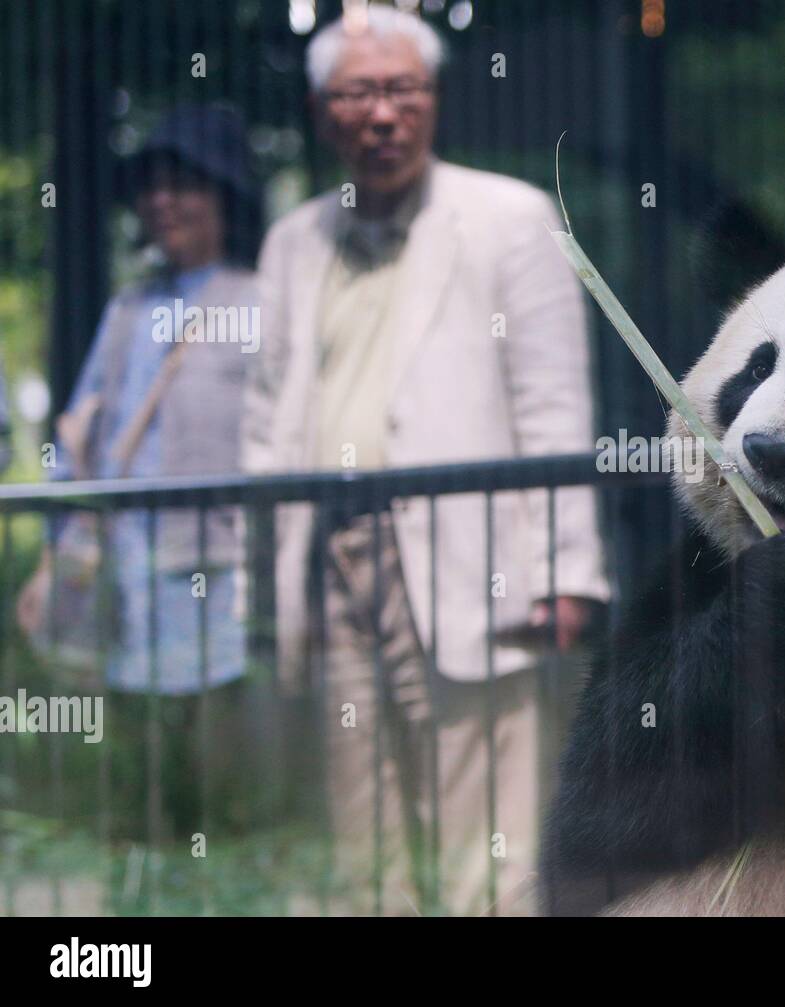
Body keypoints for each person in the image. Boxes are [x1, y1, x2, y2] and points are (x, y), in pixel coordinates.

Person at [245, 7, 608, 915]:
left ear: (434, 101)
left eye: (402, 90)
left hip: (473, 555)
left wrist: (565, 572)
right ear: (325, 110)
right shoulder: (293, 242)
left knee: (486, 818)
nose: (382, 115)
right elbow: (265, 413)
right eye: (358, 94)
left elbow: (554, 405)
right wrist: (262, 578)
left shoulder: (509, 219)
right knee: (357, 824)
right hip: (330, 563)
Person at [20, 104, 261, 844]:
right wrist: (58, 548)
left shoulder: (259, 300)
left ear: (223, 195)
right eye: (151, 186)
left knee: (220, 782)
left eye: (183, 183)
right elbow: (83, 431)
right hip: (125, 578)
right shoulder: (129, 307)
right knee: (136, 784)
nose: (163, 201)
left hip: (219, 579)